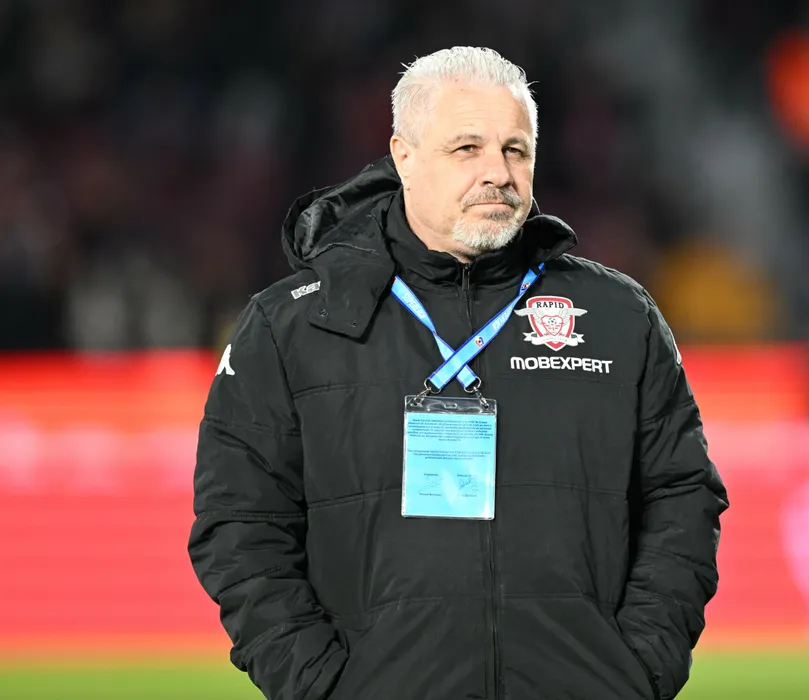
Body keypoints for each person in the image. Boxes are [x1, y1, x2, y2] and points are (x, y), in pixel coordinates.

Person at [189, 46, 729, 700]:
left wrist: (638, 669)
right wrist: (320, 685)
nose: (497, 173)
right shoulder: (292, 326)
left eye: (515, 150)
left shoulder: (618, 316)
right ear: (404, 156)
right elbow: (239, 525)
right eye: (467, 148)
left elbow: (682, 497)